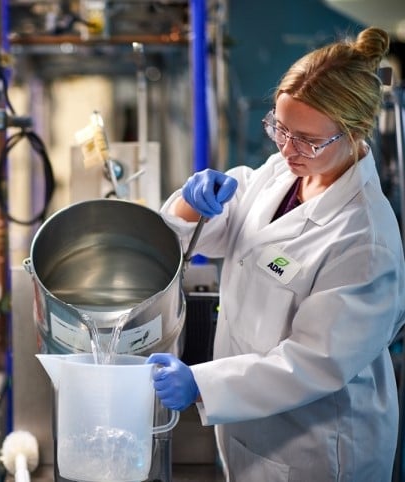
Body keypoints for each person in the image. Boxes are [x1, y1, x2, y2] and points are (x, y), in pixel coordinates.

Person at [148, 26, 405, 481]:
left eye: (306, 139)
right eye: (279, 128)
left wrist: (202, 384)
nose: (287, 149)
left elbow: (313, 362)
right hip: (251, 428)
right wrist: (194, 202)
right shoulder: (286, 170)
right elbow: (214, 234)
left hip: (316, 447)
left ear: (355, 132)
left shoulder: (364, 239)